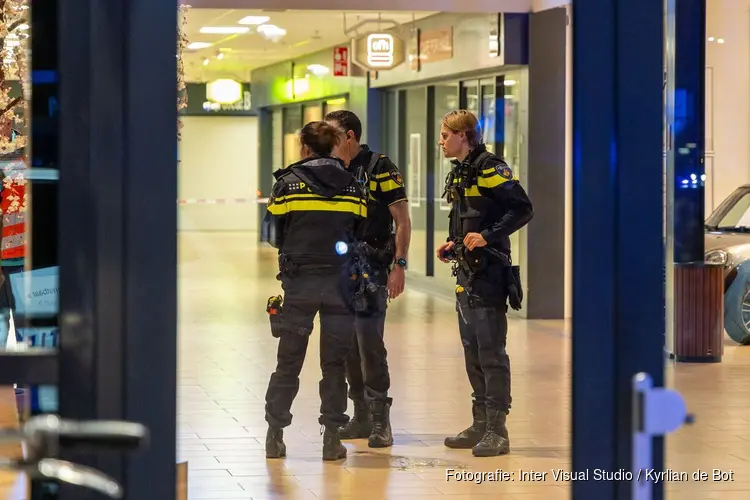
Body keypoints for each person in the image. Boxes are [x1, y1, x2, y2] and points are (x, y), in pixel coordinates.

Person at [262, 120, 367, 461]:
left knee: (288, 362)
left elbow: (273, 235)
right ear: (335, 146)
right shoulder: (354, 188)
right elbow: (361, 234)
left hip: (300, 283)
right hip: (341, 286)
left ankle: (275, 436)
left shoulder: (287, 186)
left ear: (305, 148)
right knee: (334, 365)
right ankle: (332, 440)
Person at [436, 110, 533, 457]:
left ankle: (497, 429)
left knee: (491, 351)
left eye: (446, 135)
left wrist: (487, 237)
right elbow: (469, 218)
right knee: (472, 350)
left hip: (490, 275)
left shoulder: (490, 168)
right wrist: (455, 243)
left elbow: (522, 208)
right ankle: (479, 423)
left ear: (464, 135)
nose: (441, 141)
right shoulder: (462, 170)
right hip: (466, 273)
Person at [325, 110, 411, 448]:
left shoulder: (380, 168)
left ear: (349, 136)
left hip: (374, 267)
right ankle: (359, 415)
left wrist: (399, 265)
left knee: (368, 342)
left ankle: (380, 420)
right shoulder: (331, 169)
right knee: (346, 343)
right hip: (339, 268)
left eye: (333, 135)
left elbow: (402, 220)